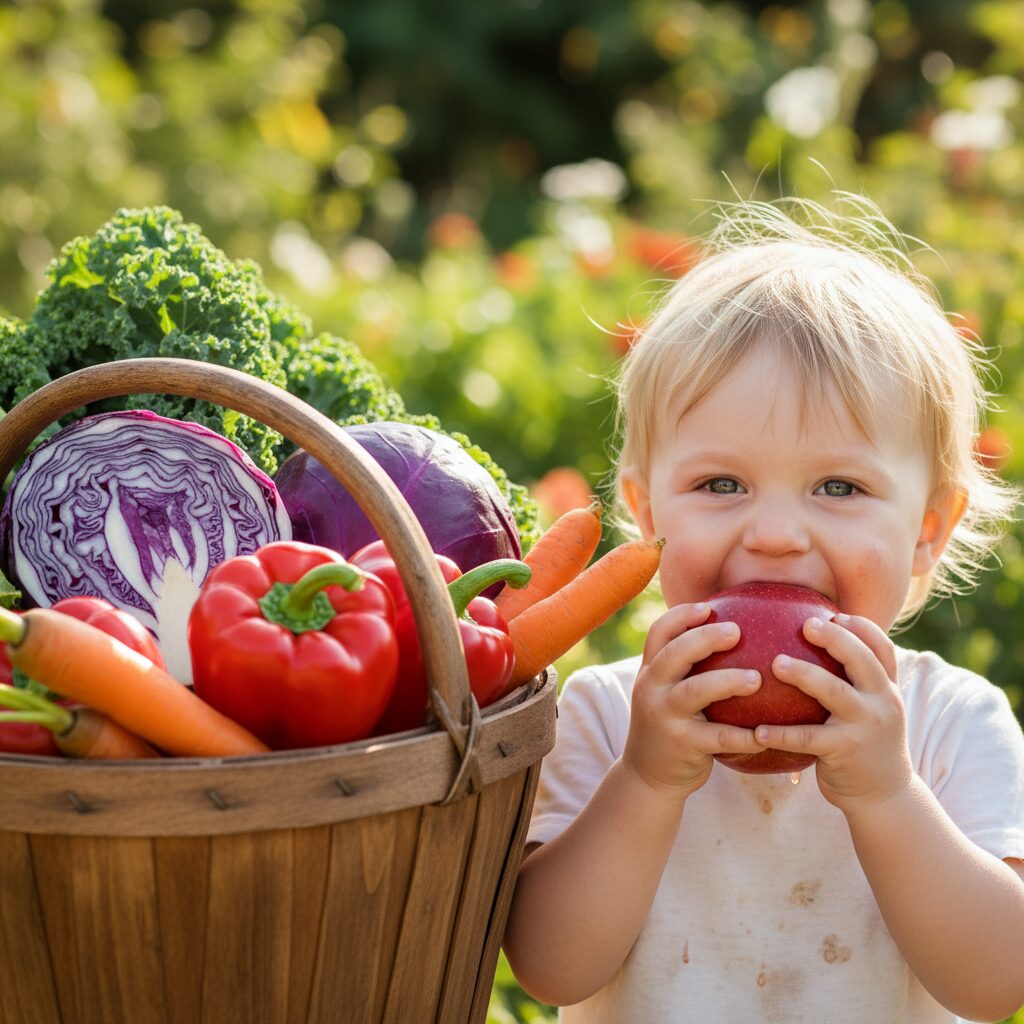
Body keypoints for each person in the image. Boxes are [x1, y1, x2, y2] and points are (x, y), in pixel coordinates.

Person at [502, 195, 1024, 1023]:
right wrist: (644, 782)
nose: (776, 535)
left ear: (928, 531)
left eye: (839, 487)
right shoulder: (606, 719)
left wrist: (888, 797)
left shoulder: (949, 722)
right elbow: (550, 969)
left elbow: (998, 981)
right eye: (720, 485)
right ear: (646, 513)